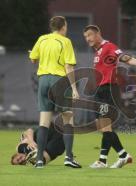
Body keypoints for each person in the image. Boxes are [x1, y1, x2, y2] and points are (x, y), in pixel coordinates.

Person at [83, 25, 136, 168]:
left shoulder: (109, 46)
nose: (87, 39)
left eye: (89, 35)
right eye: (85, 37)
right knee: (102, 127)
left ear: (98, 34)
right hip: (100, 91)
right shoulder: (98, 51)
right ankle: (113, 158)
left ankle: (115, 158)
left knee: (106, 127)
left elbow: (122, 56)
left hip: (108, 90)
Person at [29, 16, 81, 168]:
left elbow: (33, 58)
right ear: (63, 27)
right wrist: (74, 88)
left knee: (44, 122)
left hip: (43, 81)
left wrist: (34, 54)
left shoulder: (42, 39)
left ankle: (39, 160)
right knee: (68, 120)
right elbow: (69, 67)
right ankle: (69, 157)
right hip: (59, 81)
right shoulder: (65, 41)